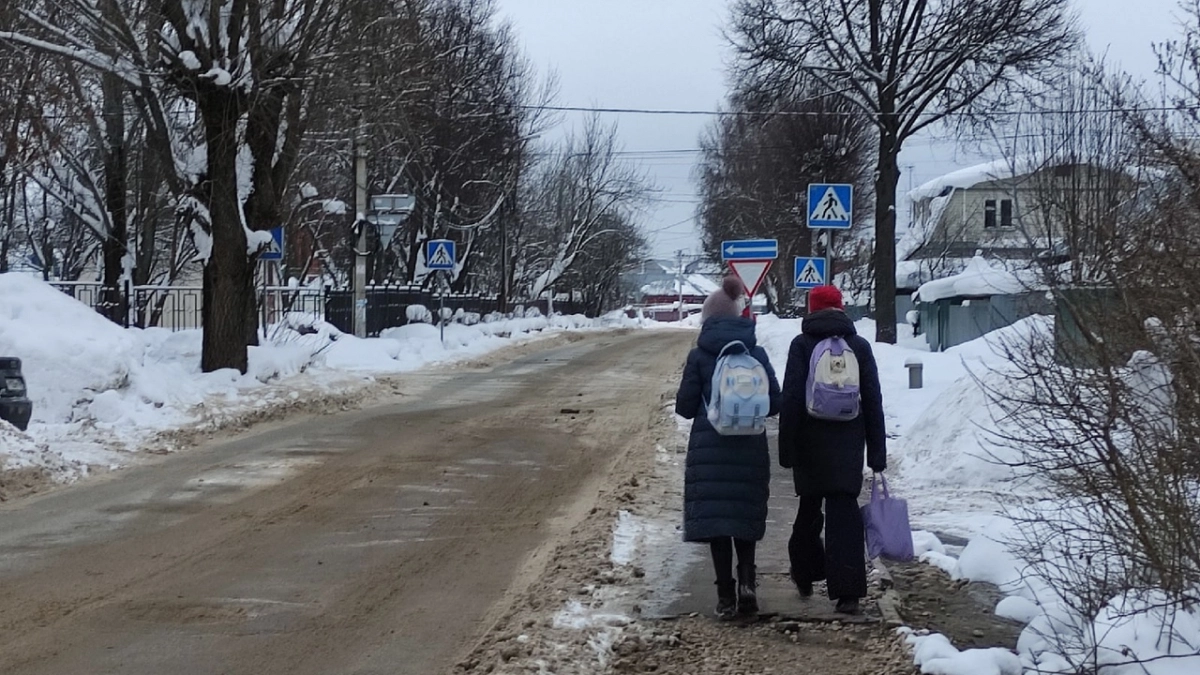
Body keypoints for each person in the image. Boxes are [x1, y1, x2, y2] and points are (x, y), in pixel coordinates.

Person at [675, 277, 781, 619]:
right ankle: (748, 585)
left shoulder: (699, 355)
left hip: (710, 450)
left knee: (718, 523)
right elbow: (775, 403)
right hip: (749, 448)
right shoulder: (756, 352)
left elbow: (685, 407)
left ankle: (724, 597)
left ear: (707, 319)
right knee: (743, 519)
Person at [778, 285, 886, 615]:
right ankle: (848, 593)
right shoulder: (859, 345)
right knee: (844, 514)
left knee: (809, 511)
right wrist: (876, 453)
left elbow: (792, 399)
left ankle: (806, 571)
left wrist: (787, 448)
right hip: (847, 445)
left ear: (812, 309)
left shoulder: (802, 344)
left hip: (810, 445)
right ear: (840, 307)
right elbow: (873, 401)